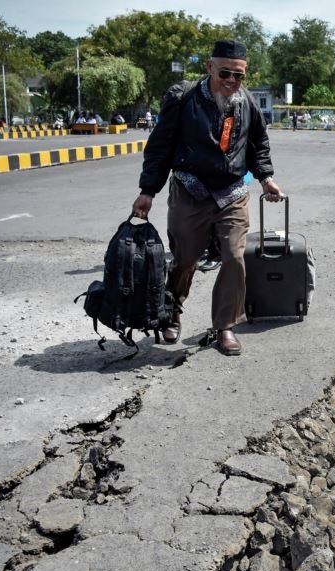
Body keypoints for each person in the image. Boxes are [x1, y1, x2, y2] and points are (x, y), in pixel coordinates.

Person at [132, 39, 284, 356]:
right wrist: (148, 191)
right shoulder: (182, 98)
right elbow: (160, 147)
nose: (231, 81)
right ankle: (172, 313)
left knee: (234, 257)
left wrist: (266, 177)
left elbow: (258, 143)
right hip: (191, 190)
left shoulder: (247, 103)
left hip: (232, 192)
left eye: (238, 76)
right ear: (209, 67)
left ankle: (224, 326)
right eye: (225, 73)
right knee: (185, 260)